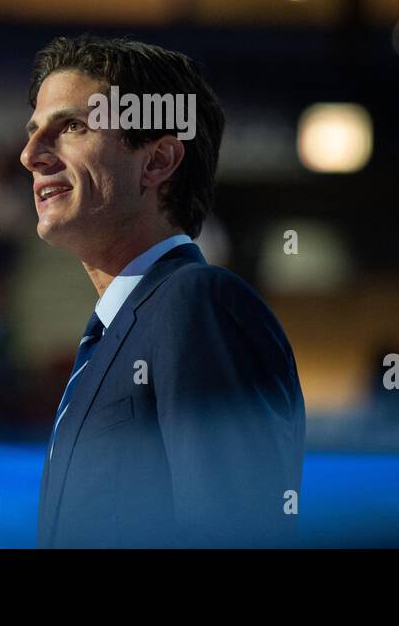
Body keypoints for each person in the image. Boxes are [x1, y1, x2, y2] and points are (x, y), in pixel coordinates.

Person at [21, 35, 306, 547]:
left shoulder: (196, 302)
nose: (31, 155)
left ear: (157, 162)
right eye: (34, 130)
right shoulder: (115, 333)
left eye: (71, 127)